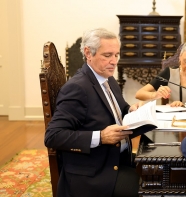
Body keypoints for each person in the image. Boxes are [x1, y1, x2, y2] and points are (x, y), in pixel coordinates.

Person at [45, 28, 153, 197]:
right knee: (152, 189)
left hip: (117, 160)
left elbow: (120, 109)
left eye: (116, 55)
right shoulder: (77, 88)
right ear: (88, 53)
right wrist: (101, 137)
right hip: (94, 174)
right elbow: (53, 136)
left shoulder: (107, 79)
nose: (114, 61)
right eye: (107, 55)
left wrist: (131, 109)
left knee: (157, 175)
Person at [135, 40, 186, 107]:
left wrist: (184, 106)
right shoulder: (169, 73)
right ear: (180, 58)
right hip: (173, 118)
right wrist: (155, 95)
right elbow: (139, 94)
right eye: (185, 61)